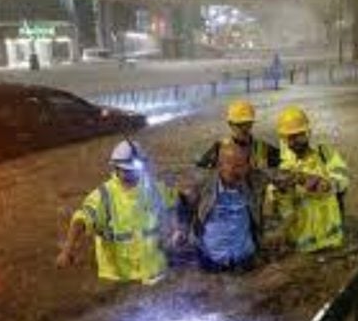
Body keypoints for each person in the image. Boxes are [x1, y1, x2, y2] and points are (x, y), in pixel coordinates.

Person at [56, 139, 179, 284]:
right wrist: (67, 250)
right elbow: (81, 220)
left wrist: (176, 229)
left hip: (155, 272)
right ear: (115, 168)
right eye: (127, 170)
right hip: (119, 277)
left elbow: (172, 205)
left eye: (135, 170)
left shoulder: (154, 188)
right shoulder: (103, 196)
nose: (132, 174)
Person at [178, 140, 286, 272]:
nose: (240, 171)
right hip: (211, 263)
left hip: (246, 262)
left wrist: (306, 179)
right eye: (234, 167)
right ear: (220, 165)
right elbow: (183, 202)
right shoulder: (204, 185)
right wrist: (181, 228)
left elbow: (277, 175)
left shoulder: (251, 179)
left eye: (243, 166)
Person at [267, 105, 350, 252]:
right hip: (303, 247)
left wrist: (326, 184)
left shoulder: (325, 153)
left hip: (333, 241)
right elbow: (284, 210)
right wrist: (279, 193)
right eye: (289, 138)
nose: (294, 141)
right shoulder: (284, 168)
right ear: (284, 139)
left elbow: (343, 179)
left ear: (307, 133)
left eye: (298, 135)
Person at [196, 99, 280, 170]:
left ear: (252, 124)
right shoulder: (219, 149)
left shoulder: (262, 148)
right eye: (239, 125)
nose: (244, 129)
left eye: (247, 124)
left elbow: (285, 162)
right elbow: (201, 168)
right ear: (230, 124)